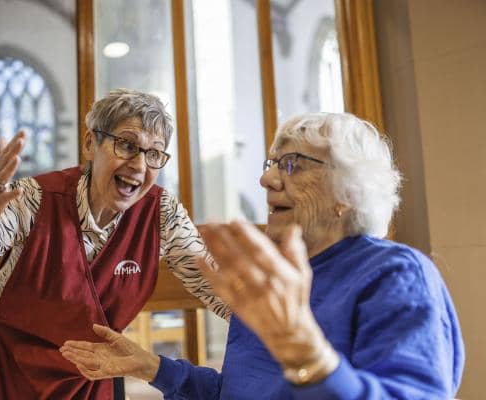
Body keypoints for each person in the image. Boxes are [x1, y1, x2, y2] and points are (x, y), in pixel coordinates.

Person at [59, 112, 464, 399]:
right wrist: (149, 366)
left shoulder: (394, 275)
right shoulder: (275, 278)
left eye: (292, 165)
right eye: (271, 163)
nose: (266, 179)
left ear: (348, 191)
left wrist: (305, 352)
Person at [0, 89, 229, 399]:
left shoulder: (161, 214)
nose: (139, 165)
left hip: (99, 368)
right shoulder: (32, 199)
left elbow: (218, 288)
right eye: (127, 145)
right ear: (90, 143)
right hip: (15, 365)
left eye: (154, 153)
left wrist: (273, 333)